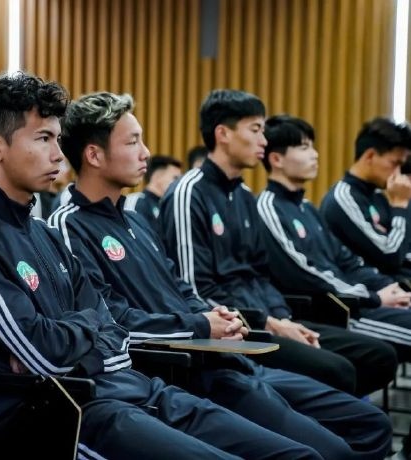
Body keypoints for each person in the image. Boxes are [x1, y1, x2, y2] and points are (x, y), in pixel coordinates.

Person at [0, 73, 323, 459]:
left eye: (57, 139)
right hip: (59, 415)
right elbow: (44, 355)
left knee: (299, 454)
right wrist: (88, 329)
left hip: (125, 387)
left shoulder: (42, 232)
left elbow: (112, 328)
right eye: (43, 138)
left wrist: (82, 333)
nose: (58, 154)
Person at [50, 91, 392, 459]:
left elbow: (179, 286)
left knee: (371, 424)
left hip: (226, 358)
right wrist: (201, 324)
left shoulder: (135, 221)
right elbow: (112, 320)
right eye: (133, 142)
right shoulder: (68, 227)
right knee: (325, 451)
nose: (146, 152)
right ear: (94, 155)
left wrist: (218, 317)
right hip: (183, 372)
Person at [158, 89, 398, 397]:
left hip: (268, 318)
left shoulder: (244, 196)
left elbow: (261, 274)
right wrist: (270, 323)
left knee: (377, 356)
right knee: (338, 370)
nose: (263, 140)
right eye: (255, 130)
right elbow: (196, 289)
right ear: (223, 134)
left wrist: (283, 318)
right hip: (236, 330)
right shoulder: (189, 192)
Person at [257, 115, 411, 362]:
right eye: (304, 148)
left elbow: (346, 261)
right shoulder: (268, 207)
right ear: (276, 159)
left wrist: (386, 289)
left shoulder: (307, 208)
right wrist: (374, 297)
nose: (315, 154)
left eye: (313, 146)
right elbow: (304, 273)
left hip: (356, 302)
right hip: (333, 312)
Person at [320, 117, 411, 282]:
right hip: (369, 290)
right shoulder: (343, 198)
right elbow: (392, 255)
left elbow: (404, 249)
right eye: (395, 163)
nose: (398, 173)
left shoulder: (378, 194)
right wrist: (400, 206)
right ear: (370, 156)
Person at [124, 154, 182, 229]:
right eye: (175, 178)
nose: (179, 183)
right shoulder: (136, 201)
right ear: (157, 177)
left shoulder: (169, 206)